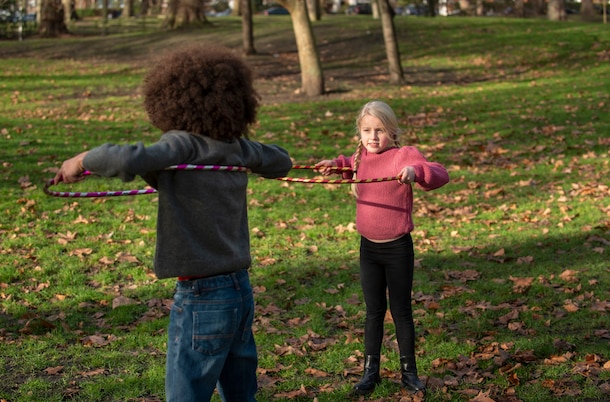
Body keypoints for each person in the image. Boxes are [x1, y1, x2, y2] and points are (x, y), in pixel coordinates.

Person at [53, 44, 293, 402]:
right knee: (241, 393)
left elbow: (127, 158)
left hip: (201, 295)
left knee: (186, 394)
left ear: (171, 101)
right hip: (239, 290)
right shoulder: (238, 148)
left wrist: (81, 159)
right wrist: (251, 155)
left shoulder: (183, 145)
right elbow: (282, 161)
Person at [315, 100, 449, 396]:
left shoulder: (403, 156)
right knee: (373, 311)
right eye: (366, 130)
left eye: (379, 130)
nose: (373, 137)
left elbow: (439, 173)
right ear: (359, 133)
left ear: (392, 131)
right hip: (369, 250)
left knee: (401, 311)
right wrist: (333, 166)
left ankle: (409, 373)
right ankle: (370, 372)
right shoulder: (360, 157)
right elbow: (348, 166)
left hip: (398, 248)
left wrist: (415, 172)